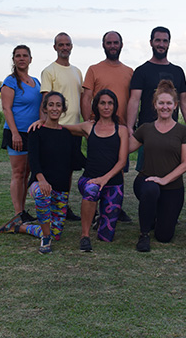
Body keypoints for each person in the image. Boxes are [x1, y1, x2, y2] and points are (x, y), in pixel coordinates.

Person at [0, 92, 83, 254]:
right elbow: (34, 161)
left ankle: (20, 227)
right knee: (42, 195)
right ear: (44, 108)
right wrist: (42, 180)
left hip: (61, 187)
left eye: (58, 105)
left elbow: (77, 160)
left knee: (56, 234)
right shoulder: (36, 131)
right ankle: (45, 238)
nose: (54, 108)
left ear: (63, 109)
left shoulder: (67, 134)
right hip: (40, 183)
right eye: (51, 105)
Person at [128, 80, 186, 252]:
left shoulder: (182, 131)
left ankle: (156, 214)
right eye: (161, 103)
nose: (165, 107)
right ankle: (143, 235)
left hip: (172, 187)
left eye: (169, 103)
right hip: (146, 181)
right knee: (151, 189)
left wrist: (164, 180)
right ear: (155, 105)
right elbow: (125, 149)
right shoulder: (145, 129)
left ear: (175, 105)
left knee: (164, 236)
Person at [63, 89, 128, 252]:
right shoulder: (88, 127)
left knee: (106, 237)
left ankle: (99, 219)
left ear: (114, 106)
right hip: (90, 180)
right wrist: (42, 123)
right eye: (102, 103)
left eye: (110, 103)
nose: (106, 107)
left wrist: (105, 179)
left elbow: (122, 162)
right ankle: (84, 236)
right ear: (96, 106)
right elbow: (61, 128)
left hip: (113, 184)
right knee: (92, 190)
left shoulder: (121, 130)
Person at [80, 30, 134, 223]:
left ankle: (114, 208)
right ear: (103, 45)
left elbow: (133, 100)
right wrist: (89, 123)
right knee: (97, 168)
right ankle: (94, 210)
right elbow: (86, 97)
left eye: (115, 43)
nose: (112, 46)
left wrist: (130, 126)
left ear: (121, 45)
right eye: (109, 43)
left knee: (119, 169)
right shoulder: (94, 69)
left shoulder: (129, 71)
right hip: (99, 129)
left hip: (120, 129)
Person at [127, 26, 186, 173]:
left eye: (165, 41)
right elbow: (134, 100)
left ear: (169, 43)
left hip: (172, 133)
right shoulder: (141, 71)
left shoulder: (177, 71)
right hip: (147, 134)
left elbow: (184, 101)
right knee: (146, 174)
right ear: (151, 42)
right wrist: (129, 127)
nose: (161, 44)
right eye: (157, 40)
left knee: (171, 170)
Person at [40, 32, 83, 221]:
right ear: (55, 47)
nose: (64, 47)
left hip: (75, 129)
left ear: (72, 46)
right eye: (61, 45)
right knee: (54, 169)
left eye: (68, 44)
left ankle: (63, 206)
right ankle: (48, 204)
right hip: (57, 129)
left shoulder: (77, 71)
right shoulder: (49, 71)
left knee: (69, 170)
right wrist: (44, 126)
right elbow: (45, 101)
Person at [0, 45, 42, 224]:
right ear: (14, 59)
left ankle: (23, 210)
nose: (22, 58)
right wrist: (15, 133)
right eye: (18, 56)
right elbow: (6, 108)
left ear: (31, 59)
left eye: (25, 55)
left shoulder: (36, 82)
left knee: (27, 173)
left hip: (33, 133)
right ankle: (18, 213)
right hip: (16, 132)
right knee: (18, 173)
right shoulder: (10, 81)